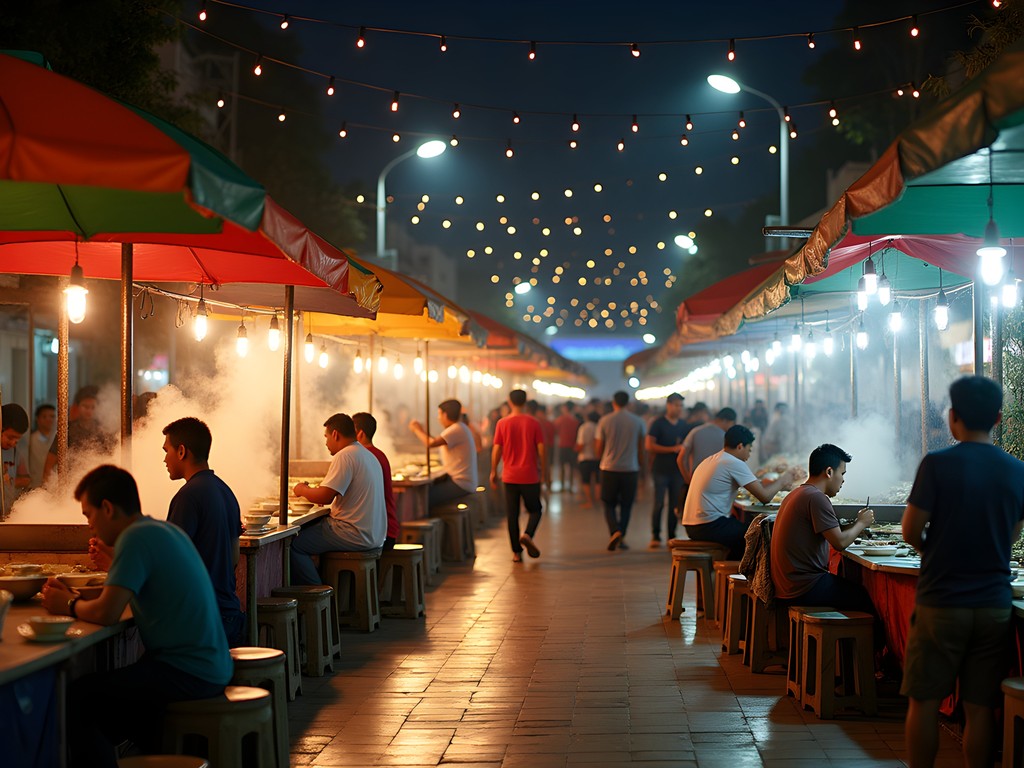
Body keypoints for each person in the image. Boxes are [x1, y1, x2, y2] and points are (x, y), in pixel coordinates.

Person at [41, 465, 231, 767]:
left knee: (79, 698)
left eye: (88, 515)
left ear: (107, 508)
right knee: (124, 705)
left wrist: (67, 604)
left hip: (190, 672)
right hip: (210, 665)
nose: (89, 525)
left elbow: (106, 612)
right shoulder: (159, 529)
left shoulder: (135, 538)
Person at [901, 376, 1024, 768]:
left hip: (942, 602)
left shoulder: (937, 464)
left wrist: (935, 551)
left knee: (924, 701)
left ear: (952, 417)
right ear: (1000, 418)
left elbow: (909, 529)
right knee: (980, 707)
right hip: (993, 605)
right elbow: (1012, 534)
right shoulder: (1017, 470)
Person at [160, 417, 246, 646]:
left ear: (181, 451)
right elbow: (234, 556)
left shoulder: (188, 496)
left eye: (166, 450)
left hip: (204, 619)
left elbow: (172, 564)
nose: (164, 459)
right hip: (229, 613)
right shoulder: (225, 490)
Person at [771, 443, 876, 610]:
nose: (843, 480)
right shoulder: (816, 497)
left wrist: (856, 527)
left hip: (787, 584)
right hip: (804, 587)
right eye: (842, 473)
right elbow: (839, 543)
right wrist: (861, 523)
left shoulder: (798, 493)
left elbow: (833, 532)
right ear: (829, 472)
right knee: (864, 598)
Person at [291, 413, 387, 585]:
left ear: (335, 434)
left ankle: (318, 593)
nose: (326, 443)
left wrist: (301, 489)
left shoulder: (345, 455)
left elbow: (325, 496)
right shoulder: (367, 455)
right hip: (375, 534)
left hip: (352, 532)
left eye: (326, 437)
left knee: (293, 544)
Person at [681, 425, 798, 559]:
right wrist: (784, 479)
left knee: (746, 530)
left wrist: (781, 486)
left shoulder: (714, 459)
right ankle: (740, 575)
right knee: (758, 535)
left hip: (694, 525)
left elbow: (757, 486)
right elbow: (764, 497)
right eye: (749, 450)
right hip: (708, 526)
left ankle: (730, 571)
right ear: (740, 446)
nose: (749, 455)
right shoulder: (733, 462)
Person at [491, 389, 546, 562]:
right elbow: (542, 449)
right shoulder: (533, 423)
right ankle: (528, 535)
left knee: (512, 515)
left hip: (509, 476)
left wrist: (493, 470)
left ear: (509, 401)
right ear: (526, 401)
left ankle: (516, 552)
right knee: (536, 510)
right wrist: (544, 471)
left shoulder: (502, 423)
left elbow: (497, 449)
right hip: (530, 475)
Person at [596, 390, 646, 551]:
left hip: (609, 468)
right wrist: (643, 468)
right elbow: (641, 448)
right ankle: (622, 536)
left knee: (608, 503)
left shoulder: (604, 421)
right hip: (630, 469)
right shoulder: (638, 421)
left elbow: (599, 447)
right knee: (626, 505)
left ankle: (614, 531)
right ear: (628, 403)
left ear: (613, 402)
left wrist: (602, 458)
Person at [409, 399, 479, 507]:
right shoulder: (459, 428)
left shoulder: (457, 428)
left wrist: (416, 429)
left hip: (461, 484)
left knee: (422, 498)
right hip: (462, 482)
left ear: (445, 415)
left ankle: (434, 522)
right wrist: (422, 430)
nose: (438, 418)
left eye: (439, 414)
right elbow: (434, 440)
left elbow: (431, 443)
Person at [43, 385, 113, 483]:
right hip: (71, 481)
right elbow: (51, 460)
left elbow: (112, 457)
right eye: (85, 406)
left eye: (93, 407)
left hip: (97, 480)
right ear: (77, 407)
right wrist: (46, 484)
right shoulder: (67, 430)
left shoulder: (103, 430)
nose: (89, 410)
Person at [646, 393, 690, 548]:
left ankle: (671, 535)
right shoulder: (658, 423)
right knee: (658, 503)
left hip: (677, 471)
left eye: (681, 406)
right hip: (660, 470)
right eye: (677, 405)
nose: (679, 408)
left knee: (674, 505)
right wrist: (672, 449)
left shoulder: (683, 425)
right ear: (668, 405)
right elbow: (649, 445)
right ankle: (655, 535)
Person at [354, 411, 399, 550]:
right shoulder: (379, 455)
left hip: (380, 532)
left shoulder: (364, 456)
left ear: (360, 434)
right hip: (387, 528)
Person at [677, 407, 737, 483]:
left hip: (696, 480)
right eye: (732, 423)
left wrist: (688, 480)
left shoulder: (695, 431)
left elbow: (681, 459)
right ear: (725, 421)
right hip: (718, 482)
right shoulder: (726, 438)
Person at [1, 403, 30, 508]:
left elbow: (26, 479)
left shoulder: (15, 452)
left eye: (17, 440)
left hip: (8, 508)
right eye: (10, 438)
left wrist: (9, 482)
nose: (13, 443)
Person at [25, 403, 55, 489]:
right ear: (37, 419)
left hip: (54, 486)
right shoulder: (31, 440)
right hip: (35, 485)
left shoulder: (59, 440)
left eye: (52, 416)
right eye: (44, 416)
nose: (49, 419)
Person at [575, 411, 601, 509]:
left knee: (586, 481)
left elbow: (580, 444)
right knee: (598, 480)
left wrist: (576, 449)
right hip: (597, 457)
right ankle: (598, 500)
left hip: (585, 457)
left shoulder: (584, 427)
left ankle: (590, 502)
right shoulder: (599, 427)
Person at [553, 402, 580, 493]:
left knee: (562, 467)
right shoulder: (576, 421)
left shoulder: (559, 420)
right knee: (572, 467)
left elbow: (555, 432)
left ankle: (562, 486)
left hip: (562, 446)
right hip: (573, 446)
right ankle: (571, 486)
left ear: (565, 408)